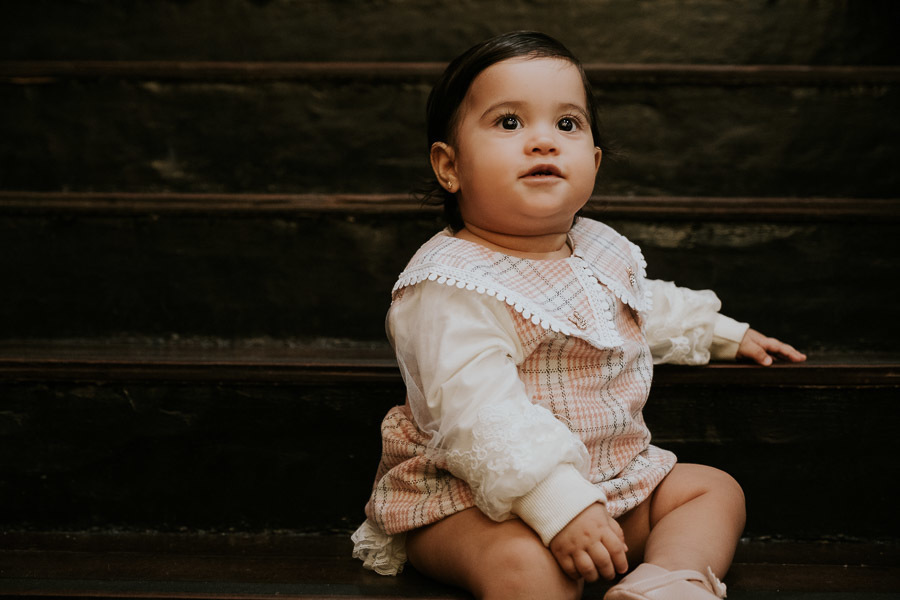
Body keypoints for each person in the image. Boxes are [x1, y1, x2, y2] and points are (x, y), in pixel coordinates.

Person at [351, 31, 806, 600]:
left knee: (713, 490)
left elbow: (639, 307)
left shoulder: (595, 248)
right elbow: (479, 416)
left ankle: (669, 579)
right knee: (527, 567)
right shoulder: (450, 284)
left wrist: (716, 332)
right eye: (509, 122)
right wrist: (558, 505)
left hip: (612, 482)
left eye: (567, 123)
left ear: (593, 162)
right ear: (450, 166)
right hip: (473, 498)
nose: (543, 141)